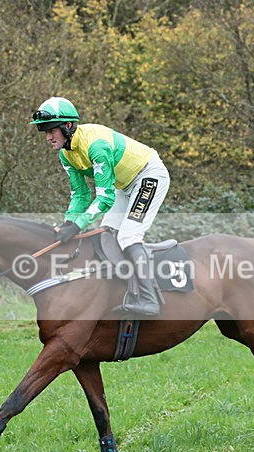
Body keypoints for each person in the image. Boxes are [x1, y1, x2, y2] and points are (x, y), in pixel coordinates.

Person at [30, 96, 170, 316]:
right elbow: (81, 194)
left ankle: (149, 299)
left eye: (51, 130)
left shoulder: (97, 145)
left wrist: (78, 227)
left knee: (128, 236)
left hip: (149, 175)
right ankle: (123, 290)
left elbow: (104, 198)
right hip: (123, 185)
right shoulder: (66, 154)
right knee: (107, 234)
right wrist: (69, 222)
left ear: (68, 126)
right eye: (44, 132)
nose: (47, 137)